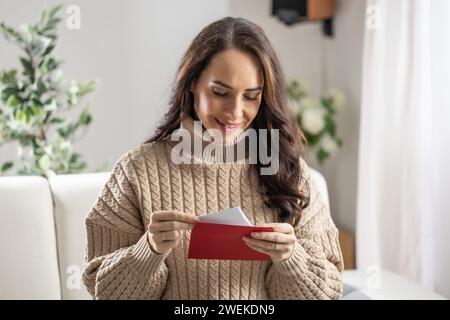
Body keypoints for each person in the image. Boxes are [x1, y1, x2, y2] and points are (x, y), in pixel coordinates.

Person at [82, 17, 343, 300]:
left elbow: (328, 293)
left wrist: (291, 259)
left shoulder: (289, 171)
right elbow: (105, 293)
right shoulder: (136, 171)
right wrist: (150, 250)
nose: (234, 112)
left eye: (251, 96)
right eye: (220, 92)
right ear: (193, 82)